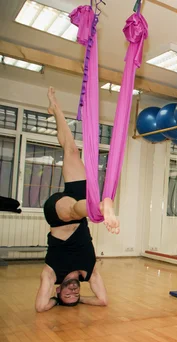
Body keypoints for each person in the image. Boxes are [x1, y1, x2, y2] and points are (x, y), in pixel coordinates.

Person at [35, 88, 119, 312]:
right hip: (81, 208)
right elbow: (102, 300)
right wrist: (81, 301)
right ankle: (56, 108)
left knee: (73, 210)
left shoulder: (52, 273)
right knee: (71, 150)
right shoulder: (88, 272)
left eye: (67, 294)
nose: (73, 291)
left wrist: (56, 301)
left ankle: (101, 207)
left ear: (58, 290)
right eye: (76, 294)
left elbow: (41, 306)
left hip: (58, 215)